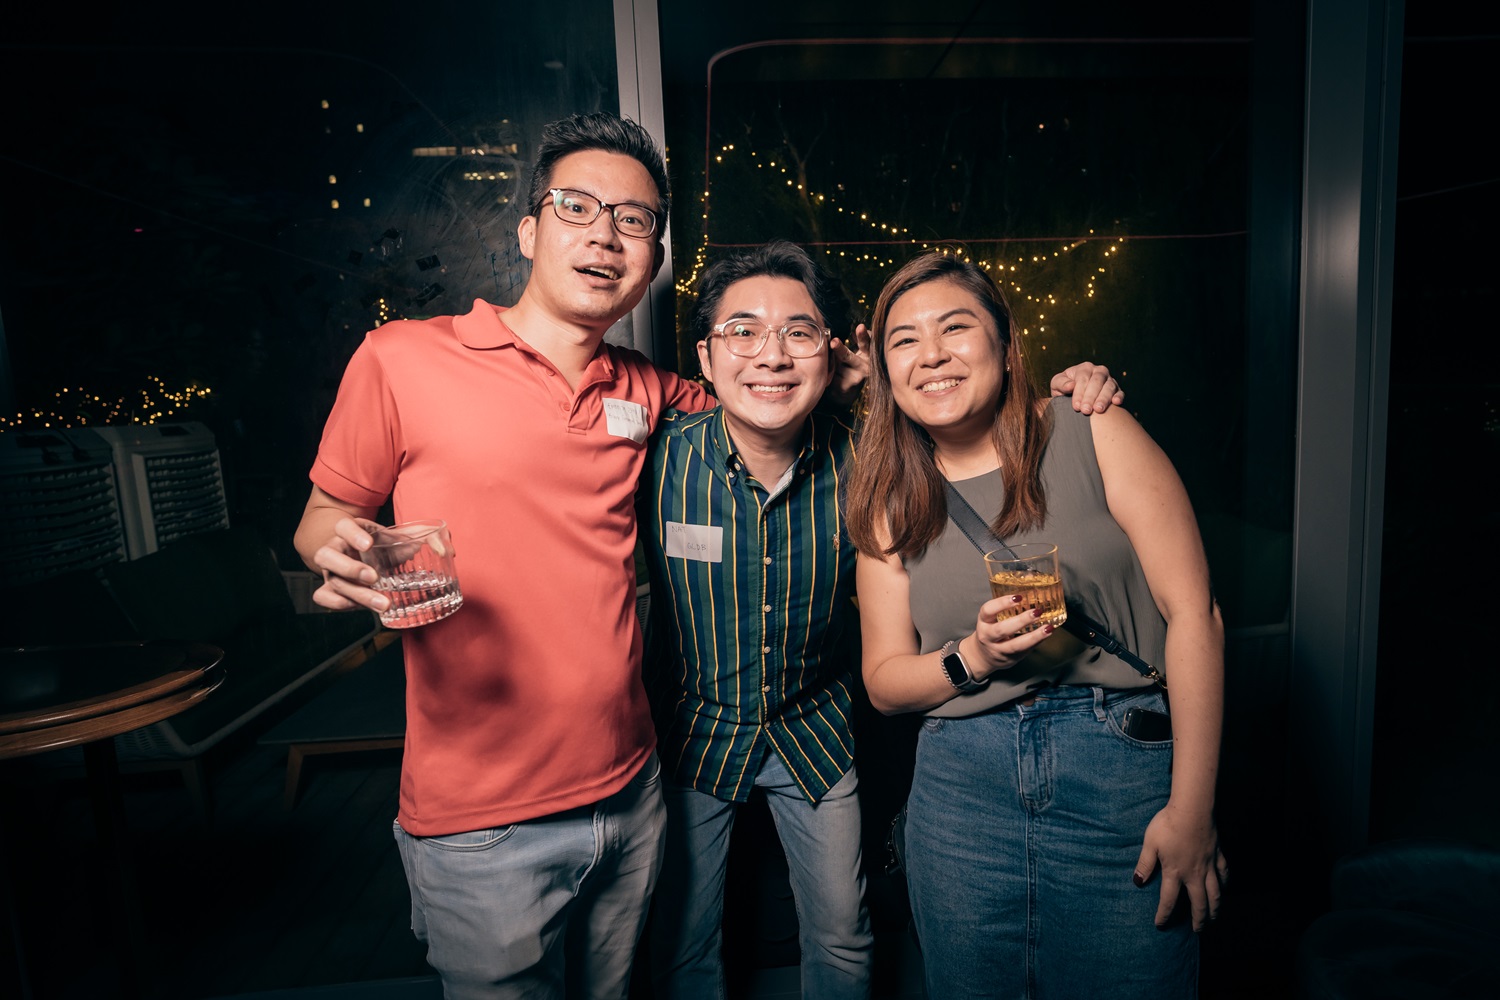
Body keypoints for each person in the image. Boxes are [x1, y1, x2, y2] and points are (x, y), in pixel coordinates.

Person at [295, 109, 1120, 998]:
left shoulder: (654, 396)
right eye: (576, 207)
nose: (604, 234)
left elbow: (798, 388)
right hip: (517, 797)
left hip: (644, 778)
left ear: (652, 253)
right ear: (529, 229)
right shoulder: (413, 361)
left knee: (714, 962)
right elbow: (324, 520)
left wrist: (1053, 392)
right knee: (656, 959)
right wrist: (345, 555)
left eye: (634, 219)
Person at [641, 242, 1126, 998]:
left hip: (814, 730)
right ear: (705, 357)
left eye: (798, 333)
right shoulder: (652, 458)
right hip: (693, 731)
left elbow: (965, 416)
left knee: (843, 934)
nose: (771, 354)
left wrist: (1078, 385)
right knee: (681, 941)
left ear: (831, 353)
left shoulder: (867, 466)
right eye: (743, 331)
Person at [846, 251, 1228, 999]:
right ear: (887, 369)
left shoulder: (1093, 429)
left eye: (956, 327)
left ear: (1004, 341)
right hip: (962, 792)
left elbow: (1195, 616)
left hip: (1120, 767)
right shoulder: (888, 496)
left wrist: (1193, 810)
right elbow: (885, 682)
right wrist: (974, 656)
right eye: (904, 340)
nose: (932, 354)